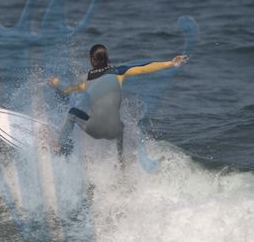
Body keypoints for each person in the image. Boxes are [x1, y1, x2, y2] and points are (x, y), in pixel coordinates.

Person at [47, 44, 187, 158]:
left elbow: (68, 89)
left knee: (73, 112)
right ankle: (121, 165)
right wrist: (171, 63)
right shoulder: (119, 72)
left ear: (92, 60)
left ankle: (59, 147)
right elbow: (144, 68)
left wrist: (56, 82)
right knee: (120, 125)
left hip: (95, 130)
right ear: (107, 58)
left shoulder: (87, 79)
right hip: (114, 132)